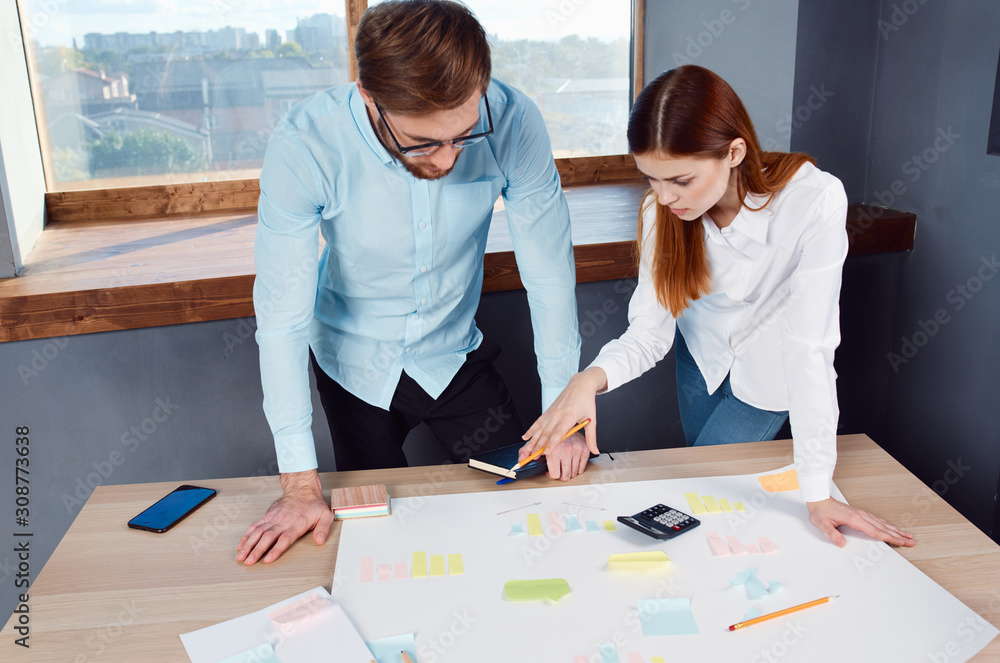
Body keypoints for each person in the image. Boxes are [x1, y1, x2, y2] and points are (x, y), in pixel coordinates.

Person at [238, 0, 589, 566]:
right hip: (355, 362)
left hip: (456, 354)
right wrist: (300, 488)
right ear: (369, 96)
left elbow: (549, 275)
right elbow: (281, 319)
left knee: (531, 507)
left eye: (464, 135)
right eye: (423, 142)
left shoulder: (515, 119)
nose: (449, 158)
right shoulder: (306, 144)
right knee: (380, 539)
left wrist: (565, 418)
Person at [520, 65, 915, 549]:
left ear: (733, 152)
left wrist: (818, 496)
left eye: (681, 180)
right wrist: (587, 381)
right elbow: (649, 333)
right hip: (701, 360)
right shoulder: (660, 213)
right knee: (706, 491)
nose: (664, 198)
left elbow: (810, 350)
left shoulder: (814, 200)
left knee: (689, 497)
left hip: (771, 370)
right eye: (651, 179)